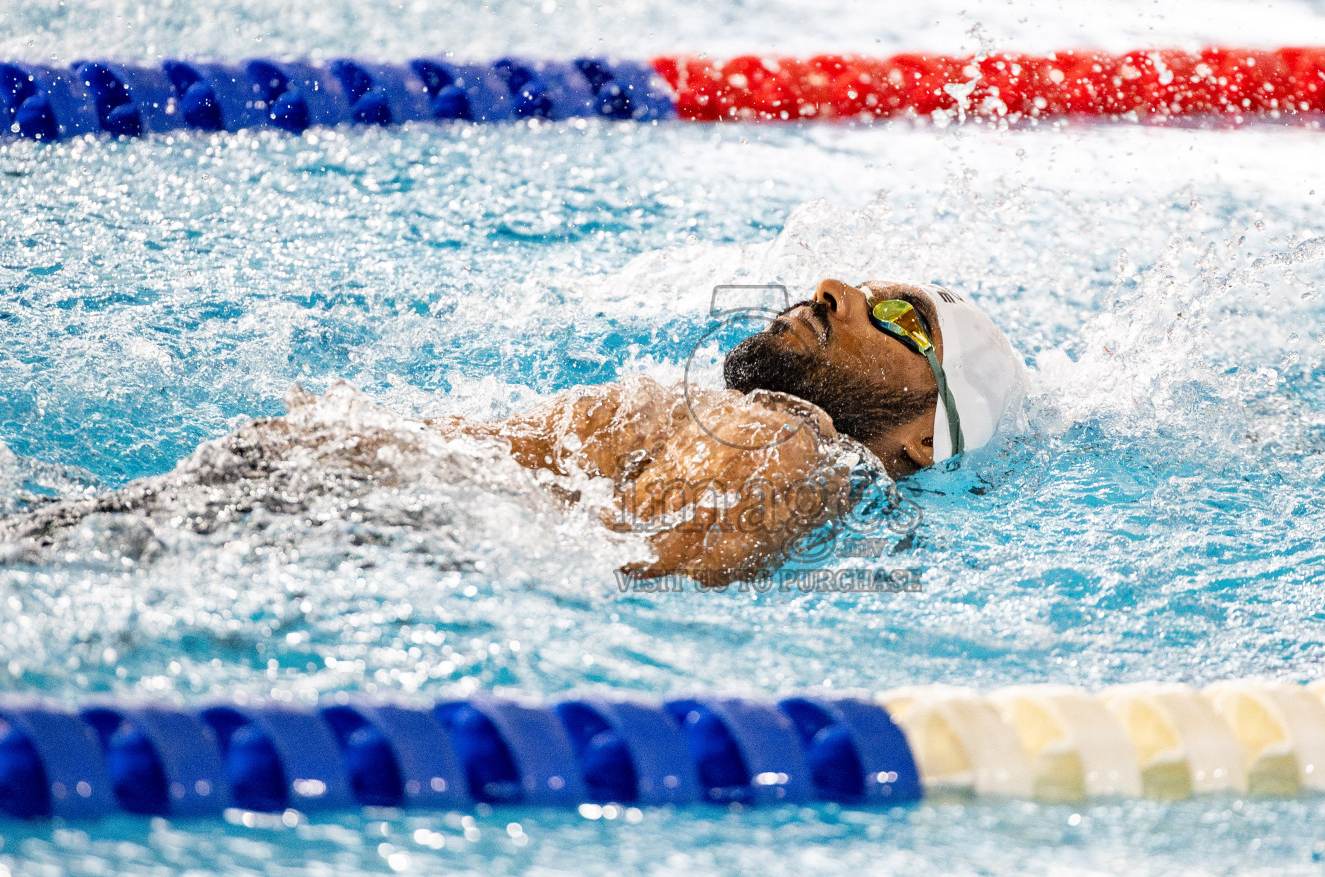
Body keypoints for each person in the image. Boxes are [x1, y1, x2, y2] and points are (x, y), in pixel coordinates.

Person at [1, 278, 1024, 584]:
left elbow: (642, 583)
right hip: (312, 513)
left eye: (904, 319)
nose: (837, 288)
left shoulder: (795, 448)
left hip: (335, 534)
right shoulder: (728, 426)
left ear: (926, 443)